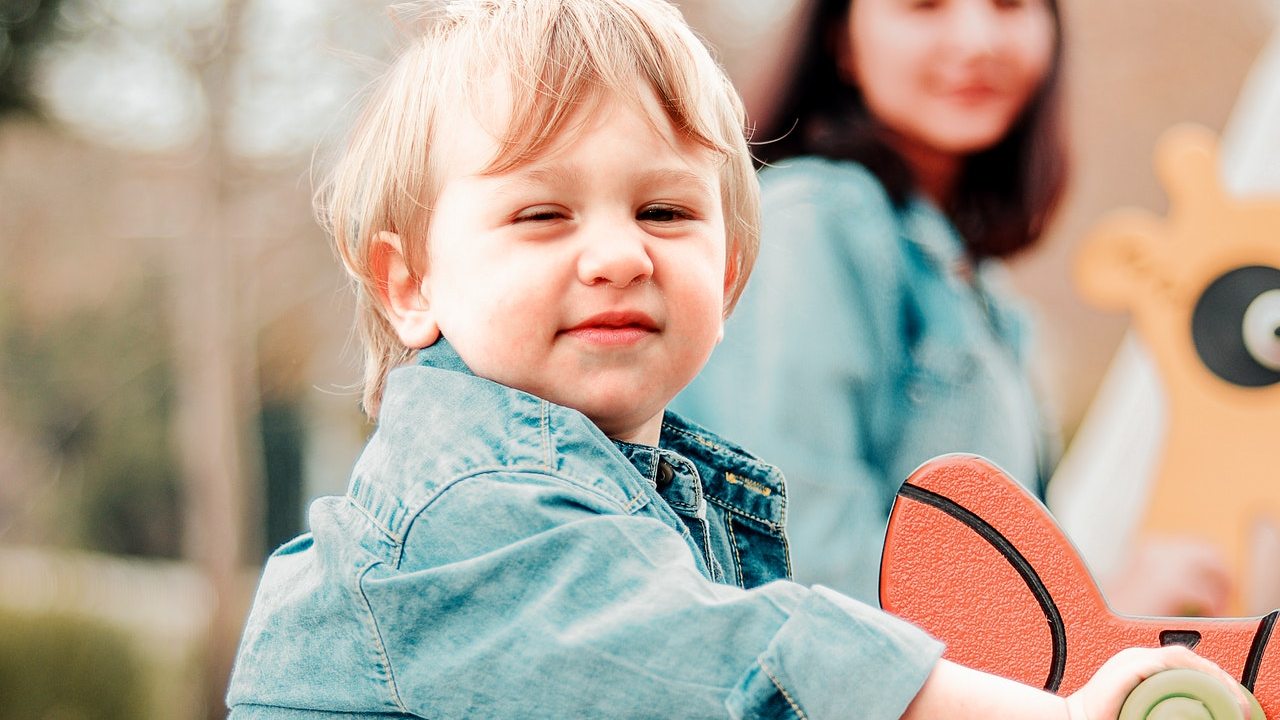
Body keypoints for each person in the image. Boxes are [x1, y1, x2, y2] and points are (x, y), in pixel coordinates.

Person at [225, 1, 1246, 717]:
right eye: (541, 213)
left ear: (728, 279)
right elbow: (744, 663)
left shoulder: (667, 497)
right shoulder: (472, 509)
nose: (620, 253)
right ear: (409, 285)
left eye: (665, 211)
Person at [670, 0, 1231, 615]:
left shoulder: (978, 284)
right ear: (842, 42)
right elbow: (806, 573)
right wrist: (1099, 623)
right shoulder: (812, 223)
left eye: (1009, 4)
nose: (977, 38)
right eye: (925, 6)